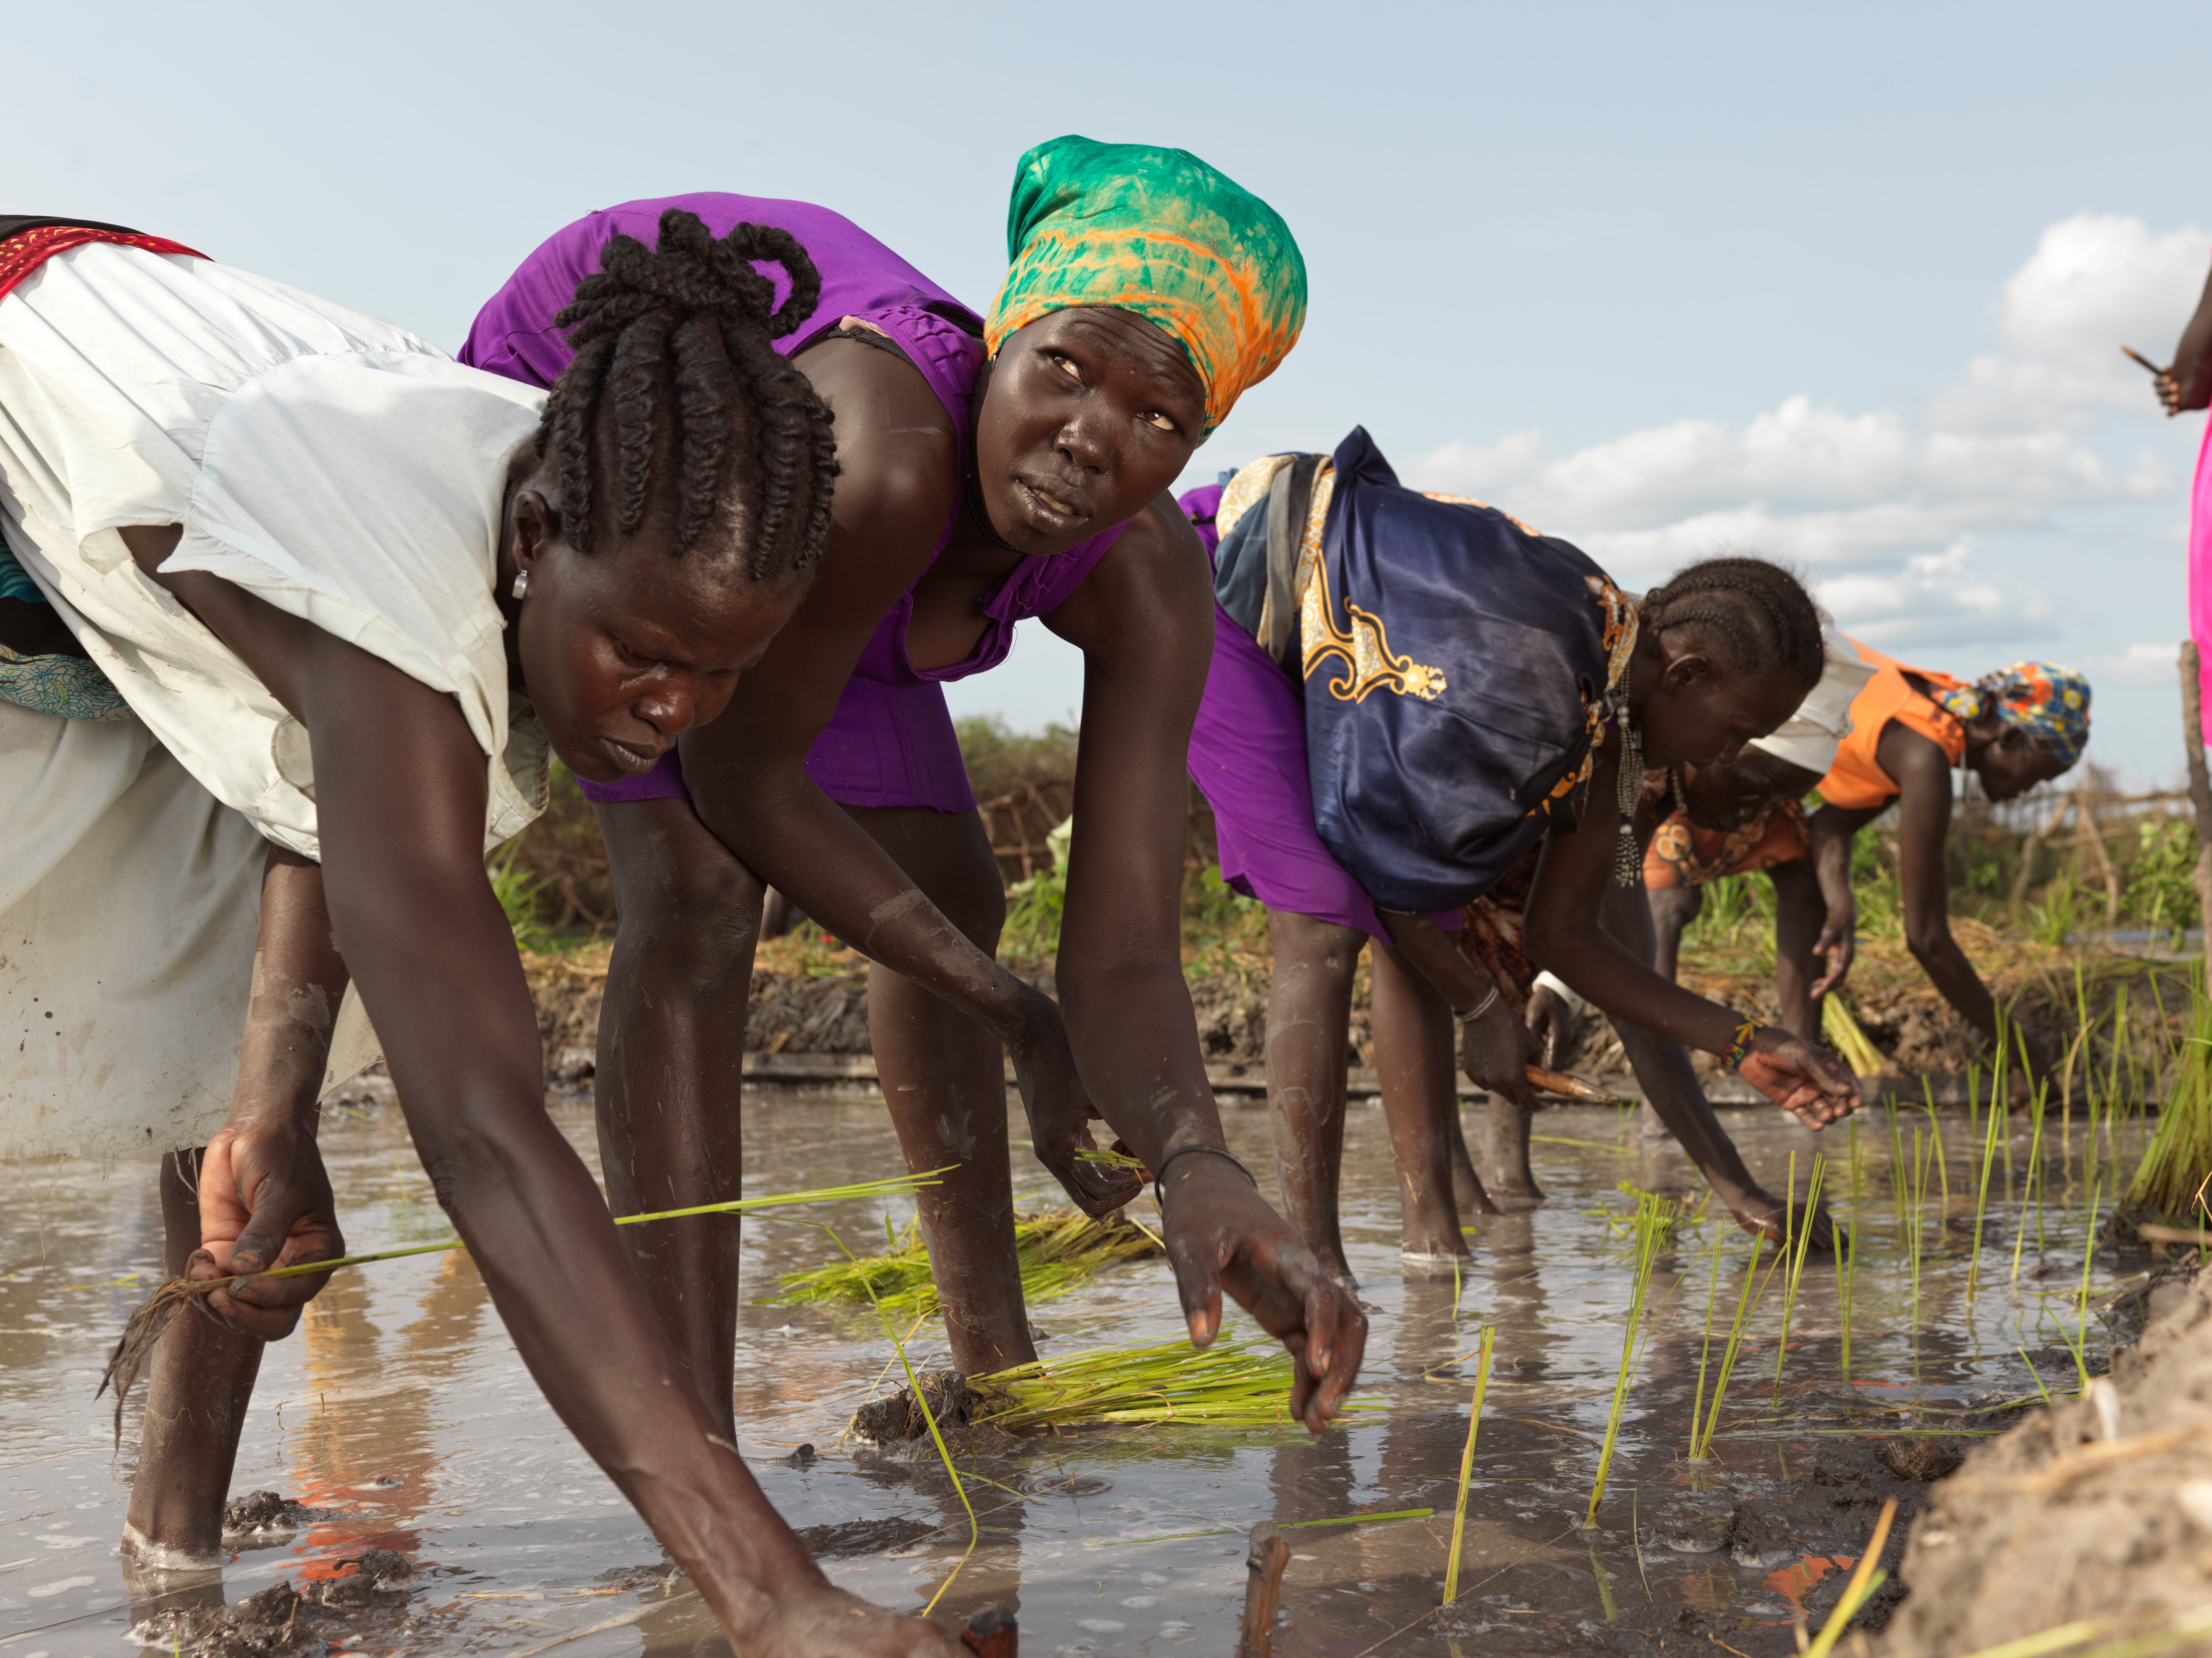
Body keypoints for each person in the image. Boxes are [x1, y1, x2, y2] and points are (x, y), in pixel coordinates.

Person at [0, 214, 971, 1655]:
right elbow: (483, 1134)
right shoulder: (402, 588)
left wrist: (270, 1106)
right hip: (44, 378)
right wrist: (774, 1593)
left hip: (154, 445)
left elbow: (309, 787)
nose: (671, 711)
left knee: (223, 1092)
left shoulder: (581, 492)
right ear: (534, 543)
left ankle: (172, 1570)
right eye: (642, 654)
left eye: (722, 673)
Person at [460, 140, 1366, 1431]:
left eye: (1160, 419)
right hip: (604, 387)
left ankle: (996, 1375)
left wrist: (1198, 1165)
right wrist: (1017, 1018)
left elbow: (1120, 954)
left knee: (953, 889)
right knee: (703, 896)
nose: (1089, 440)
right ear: (1005, 336)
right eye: (1065, 368)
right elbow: (738, 775)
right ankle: (694, 1445)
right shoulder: (882, 462)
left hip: (840, 542)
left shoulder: (1152, 581)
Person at [1185, 429, 1863, 1289]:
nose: (1728, 758)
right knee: (1322, 916)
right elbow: (1373, 857)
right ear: (1686, 675)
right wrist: (1480, 1006)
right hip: (1226, 586)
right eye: (1736, 732)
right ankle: (1314, 1271)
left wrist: (1742, 1043)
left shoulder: (1616, 712)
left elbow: (1572, 933)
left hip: (1334, 628)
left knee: (1429, 921)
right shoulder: (1529, 689)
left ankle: (1430, 1246)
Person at [1807, 645, 2091, 1095]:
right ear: (2012, 739)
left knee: (1806, 893)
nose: (2026, 790)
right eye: (2037, 775)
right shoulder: (1923, 756)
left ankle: (1804, 1079)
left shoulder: (1927, 720)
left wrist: (1841, 903)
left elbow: (1830, 822)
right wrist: (2026, 1056)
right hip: (1708, 758)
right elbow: (1927, 940)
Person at [1640, 626, 1875, 1041]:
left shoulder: (1760, 786)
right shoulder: (1647, 775)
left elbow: (1795, 810)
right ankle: (1659, 1059)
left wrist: (1840, 902)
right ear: (1722, 743)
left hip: (1737, 780)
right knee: (1667, 905)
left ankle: (1804, 1051)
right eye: (1758, 796)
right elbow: (1585, 908)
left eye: (1778, 798)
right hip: (1702, 789)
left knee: (1801, 875)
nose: (1754, 817)